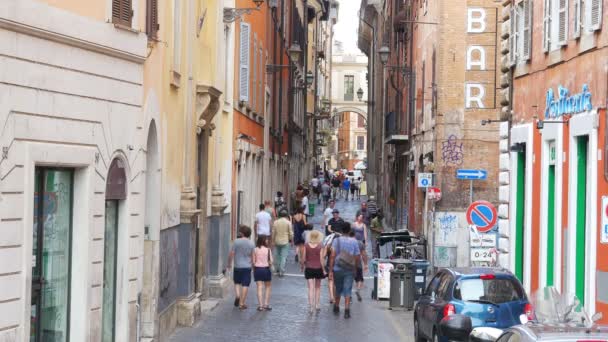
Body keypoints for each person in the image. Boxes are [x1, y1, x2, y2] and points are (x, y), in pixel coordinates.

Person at [329, 223, 361, 319]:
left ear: (342, 231)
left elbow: (332, 256)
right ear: (349, 231)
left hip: (338, 268)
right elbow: (357, 257)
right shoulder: (354, 242)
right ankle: (347, 310)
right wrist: (355, 268)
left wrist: (330, 270)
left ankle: (336, 306)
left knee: (338, 288)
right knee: (348, 289)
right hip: (349, 269)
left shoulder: (336, 241)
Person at [227, 225, 255, 310]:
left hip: (237, 266)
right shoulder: (251, 243)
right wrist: (253, 266)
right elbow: (253, 256)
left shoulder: (236, 241)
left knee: (237, 282)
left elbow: (231, 254)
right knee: (245, 284)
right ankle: (242, 303)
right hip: (247, 267)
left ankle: (238, 295)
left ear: (242, 233)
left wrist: (229, 264)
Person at [301, 230, 326, 314]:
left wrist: (302, 266)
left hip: (309, 268)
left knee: (310, 288)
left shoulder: (306, 245)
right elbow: (321, 259)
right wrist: (323, 269)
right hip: (318, 268)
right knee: (318, 287)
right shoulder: (320, 246)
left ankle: (311, 306)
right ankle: (317, 304)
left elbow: (303, 258)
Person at [253, 236, 273, 311]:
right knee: (267, 287)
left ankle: (260, 305)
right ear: (264, 241)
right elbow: (271, 261)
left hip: (257, 269)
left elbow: (253, 262)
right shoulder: (268, 250)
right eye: (266, 240)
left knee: (259, 287)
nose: (267, 241)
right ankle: (266, 304)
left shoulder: (255, 250)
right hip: (266, 269)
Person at [272, 210, 293, 277]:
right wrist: (291, 240)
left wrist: (272, 240)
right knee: (283, 256)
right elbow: (291, 233)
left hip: (277, 240)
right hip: (285, 241)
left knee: (277, 256)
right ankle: (281, 270)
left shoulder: (275, 222)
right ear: (286, 215)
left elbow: (273, 232)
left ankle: (277, 268)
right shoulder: (288, 222)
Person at [349, 230, 368, 302]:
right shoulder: (360, 243)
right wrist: (365, 264)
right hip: (358, 263)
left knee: (349, 279)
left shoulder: (346, 242)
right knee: (359, 279)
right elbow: (364, 255)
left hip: (348, 263)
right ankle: (358, 290)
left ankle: (349, 294)